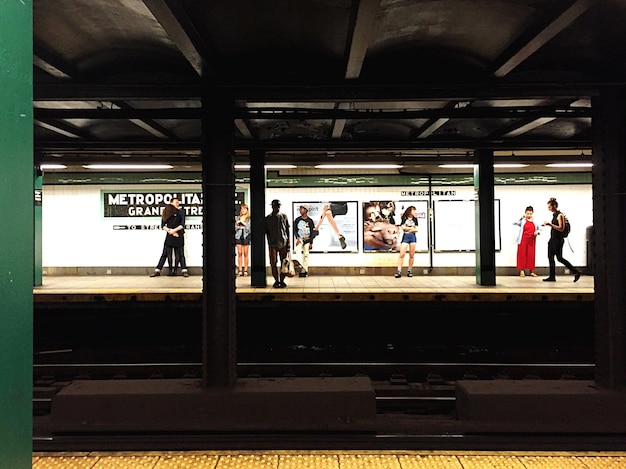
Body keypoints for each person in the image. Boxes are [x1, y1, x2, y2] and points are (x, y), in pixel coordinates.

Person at [541, 197, 581, 282]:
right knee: (550, 257)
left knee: (559, 258)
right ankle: (552, 276)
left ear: (554, 206)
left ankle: (576, 271)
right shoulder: (555, 215)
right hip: (552, 239)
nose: (549, 209)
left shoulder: (560, 215)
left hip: (558, 240)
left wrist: (550, 224)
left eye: (549, 207)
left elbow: (561, 228)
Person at [150, 198, 189, 278]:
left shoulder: (181, 212)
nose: (177, 204)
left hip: (179, 234)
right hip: (170, 234)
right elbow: (163, 225)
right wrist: (170, 231)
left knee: (180, 253)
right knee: (165, 253)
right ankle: (157, 270)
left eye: (178, 202)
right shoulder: (167, 212)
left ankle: (184, 270)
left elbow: (182, 224)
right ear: (171, 203)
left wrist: (174, 231)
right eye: (176, 202)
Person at [265, 199, 290, 288]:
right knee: (273, 263)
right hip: (273, 244)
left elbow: (287, 230)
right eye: (276, 206)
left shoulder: (284, 216)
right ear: (272, 206)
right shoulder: (268, 218)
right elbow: (267, 232)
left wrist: (289, 243)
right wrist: (269, 243)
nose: (277, 207)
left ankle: (282, 280)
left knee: (284, 262)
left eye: (278, 206)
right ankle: (276, 280)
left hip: (283, 242)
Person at [513, 206, 541, 277]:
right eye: (528, 213)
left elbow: (539, 229)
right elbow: (514, 223)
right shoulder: (523, 221)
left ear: (533, 213)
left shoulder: (535, 222)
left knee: (531, 255)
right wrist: (520, 218)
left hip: (531, 240)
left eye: (530, 214)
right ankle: (522, 271)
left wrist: (537, 232)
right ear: (525, 213)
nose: (529, 215)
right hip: (523, 240)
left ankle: (531, 271)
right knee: (522, 255)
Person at [394, 206, 419, 278]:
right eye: (413, 210)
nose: (414, 212)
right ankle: (399, 271)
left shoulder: (415, 219)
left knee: (412, 255)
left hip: (413, 237)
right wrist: (412, 228)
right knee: (402, 254)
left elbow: (417, 229)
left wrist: (409, 229)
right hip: (405, 237)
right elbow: (403, 227)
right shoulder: (404, 218)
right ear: (410, 211)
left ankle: (409, 270)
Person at [293, 204, 316, 277]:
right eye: (299, 209)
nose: (300, 210)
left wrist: (311, 242)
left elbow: (312, 232)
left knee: (306, 255)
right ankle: (300, 269)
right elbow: (295, 230)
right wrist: (297, 238)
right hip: (300, 239)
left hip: (307, 240)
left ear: (306, 210)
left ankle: (305, 270)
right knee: (298, 253)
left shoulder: (310, 221)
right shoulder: (297, 220)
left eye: (301, 209)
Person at [235, 203, 251, 276]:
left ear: (247, 210)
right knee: (239, 253)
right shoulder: (237, 218)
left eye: (245, 209)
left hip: (246, 236)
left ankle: (246, 270)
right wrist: (239, 225)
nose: (243, 210)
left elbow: (249, 228)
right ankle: (240, 270)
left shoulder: (249, 218)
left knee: (245, 253)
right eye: (242, 209)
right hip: (238, 236)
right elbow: (235, 227)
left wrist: (243, 224)